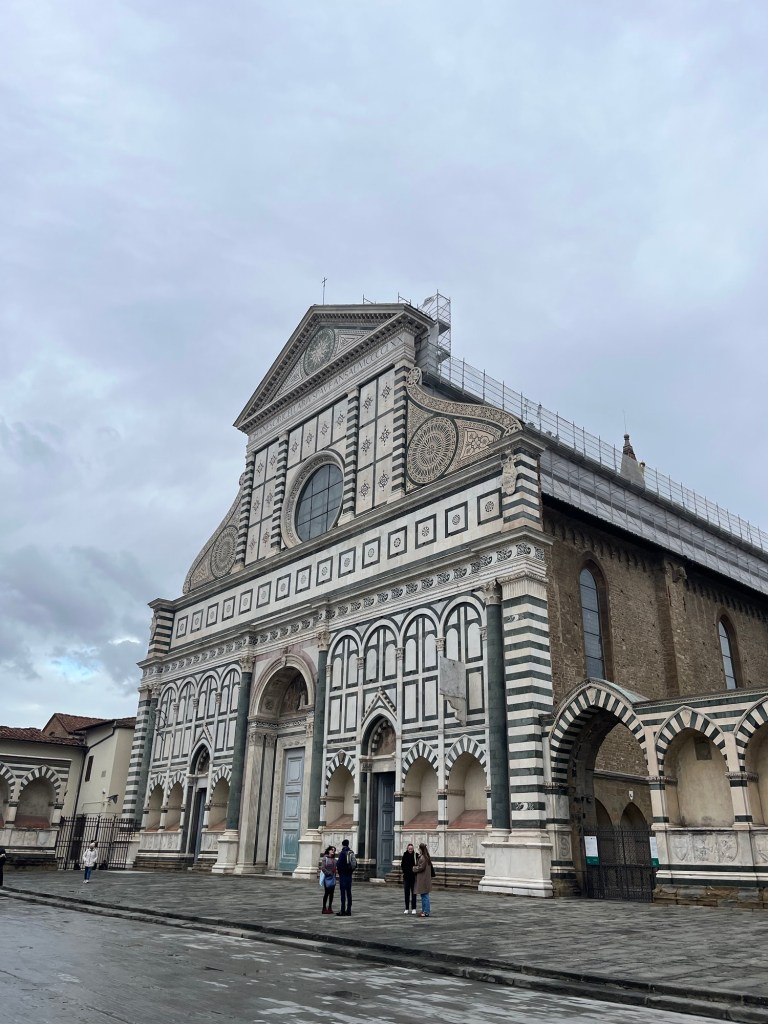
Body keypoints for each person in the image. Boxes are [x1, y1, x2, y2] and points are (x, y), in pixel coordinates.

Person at [336, 838, 356, 916]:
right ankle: (349, 910)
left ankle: (342, 910)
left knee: (343, 893)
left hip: (343, 875)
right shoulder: (351, 852)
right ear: (348, 844)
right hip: (349, 875)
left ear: (342, 844)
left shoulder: (342, 853)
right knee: (349, 893)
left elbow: (338, 864)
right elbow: (354, 864)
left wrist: (340, 872)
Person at [413, 842, 433, 917]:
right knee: (423, 895)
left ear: (421, 849)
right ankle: (424, 910)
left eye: (419, 849)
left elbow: (421, 867)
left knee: (425, 895)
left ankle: (426, 911)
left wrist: (414, 868)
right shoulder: (426, 857)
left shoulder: (423, 857)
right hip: (424, 879)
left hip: (423, 879)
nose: (418, 850)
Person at [319, 845, 337, 914]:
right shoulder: (325, 858)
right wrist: (328, 873)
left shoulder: (335, 860)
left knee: (332, 893)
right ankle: (324, 908)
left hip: (333, 877)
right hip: (327, 877)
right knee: (326, 893)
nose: (333, 851)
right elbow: (323, 868)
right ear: (329, 851)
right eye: (332, 850)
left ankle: (330, 907)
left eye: (334, 850)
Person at [401, 842, 417, 914]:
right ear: (407, 849)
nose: (410, 850)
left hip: (413, 878)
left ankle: (414, 908)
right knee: (406, 893)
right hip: (406, 877)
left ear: (413, 849)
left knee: (414, 894)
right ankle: (406, 908)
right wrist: (405, 871)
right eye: (409, 849)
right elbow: (402, 865)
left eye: (411, 849)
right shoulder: (405, 855)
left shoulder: (416, 855)